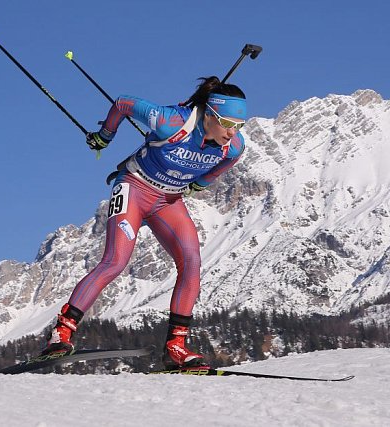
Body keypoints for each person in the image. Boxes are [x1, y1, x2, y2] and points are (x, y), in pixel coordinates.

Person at [41, 76, 248, 369]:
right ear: (210, 115)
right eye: (227, 123)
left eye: (239, 125)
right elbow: (124, 103)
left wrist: (199, 183)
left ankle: (176, 347)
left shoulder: (234, 147)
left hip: (169, 202)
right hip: (134, 189)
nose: (232, 132)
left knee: (191, 263)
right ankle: (60, 332)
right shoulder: (172, 122)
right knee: (115, 260)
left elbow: (220, 167)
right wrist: (105, 136)